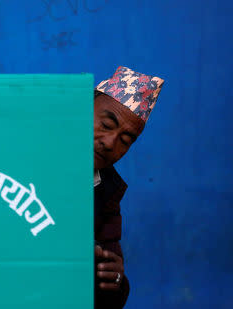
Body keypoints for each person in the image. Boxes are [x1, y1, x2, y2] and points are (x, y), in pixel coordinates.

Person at [93, 66, 164, 308]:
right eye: (105, 124)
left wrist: (114, 280)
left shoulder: (108, 192)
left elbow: (114, 294)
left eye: (125, 141)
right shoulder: (29, 158)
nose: (109, 143)